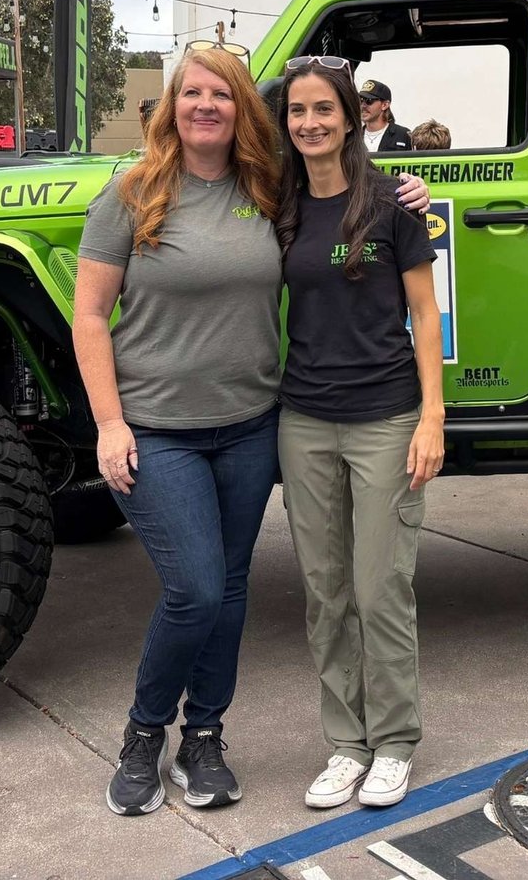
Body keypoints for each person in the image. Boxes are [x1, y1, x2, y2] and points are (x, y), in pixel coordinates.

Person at [71, 45, 430, 818]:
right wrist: (108, 422)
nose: (207, 106)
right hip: (162, 427)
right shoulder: (129, 193)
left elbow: (360, 211)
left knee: (237, 590)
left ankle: (206, 736)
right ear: (172, 107)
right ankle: (144, 735)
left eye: (223, 95)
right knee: (197, 588)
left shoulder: (267, 188)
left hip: (252, 424)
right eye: (192, 93)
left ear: (242, 110)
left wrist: (410, 186)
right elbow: (90, 314)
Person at [274, 57, 445, 811]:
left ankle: (396, 741)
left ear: (351, 116)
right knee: (325, 591)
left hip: (385, 417)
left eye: (323, 109)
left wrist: (433, 416)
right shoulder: (278, 203)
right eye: (297, 111)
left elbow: (425, 312)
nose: (309, 122)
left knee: (381, 589)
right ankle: (346, 743)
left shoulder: (392, 203)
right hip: (304, 419)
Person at [357, 79, 412, 153]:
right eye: (360, 100)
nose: (363, 105)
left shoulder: (403, 135)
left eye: (369, 101)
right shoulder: (352, 137)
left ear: (385, 105)